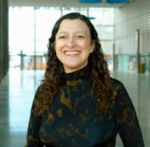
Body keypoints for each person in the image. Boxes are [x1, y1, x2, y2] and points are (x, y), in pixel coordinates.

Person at [25, 12, 144, 147]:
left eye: (80, 37)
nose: (70, 44)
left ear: (92, 45)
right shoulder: (45, 92)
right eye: (63, 37)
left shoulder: (113, 90)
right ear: (54, 45)